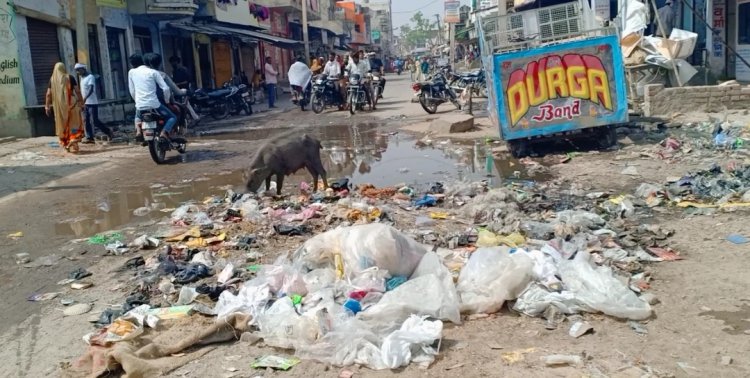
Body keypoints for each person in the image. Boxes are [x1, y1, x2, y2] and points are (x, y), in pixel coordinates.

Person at [128, 53, 175, 140]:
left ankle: (138, 130)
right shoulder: (153, 72)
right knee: (172, 117)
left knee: (137, 116)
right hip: (155, 105)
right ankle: (164, 132)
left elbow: (132, 90)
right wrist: (167, 101)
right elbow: (165, 89)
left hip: (140, 105)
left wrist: (137, 101)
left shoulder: (131, 72)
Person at [144, 53, 196, 123]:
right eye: (171, 62)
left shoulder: (183, 70)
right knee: (174, 115)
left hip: (146, 102)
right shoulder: (163, 75)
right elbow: (168, 89)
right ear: (159, 64)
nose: (172, 63)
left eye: (174, 62)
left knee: (185, 104)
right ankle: (167, 130)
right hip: (168, 97)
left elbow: (188, 81)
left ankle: (194, 118)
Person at [45, 62, 85, 153]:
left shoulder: (52, 80)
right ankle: (73, 141)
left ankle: (67, 143)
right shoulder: (70, 78)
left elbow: (48, 94)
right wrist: (82, 103)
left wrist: (47, 107)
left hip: (59, 108)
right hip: (72, 105)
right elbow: (77, 91)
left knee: (63, 125)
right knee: (74, 123)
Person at [74, 63, 113, 143]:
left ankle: (108, 131)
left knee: (94, 121)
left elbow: (91, 89)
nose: (78, 72)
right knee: (86, 120)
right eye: (76, 71)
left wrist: (85, 98)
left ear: (83, 69)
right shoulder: (82, 78)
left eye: (78, 70)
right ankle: (89, 137)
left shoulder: (90, 77)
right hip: (85, 103)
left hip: (92, 102)